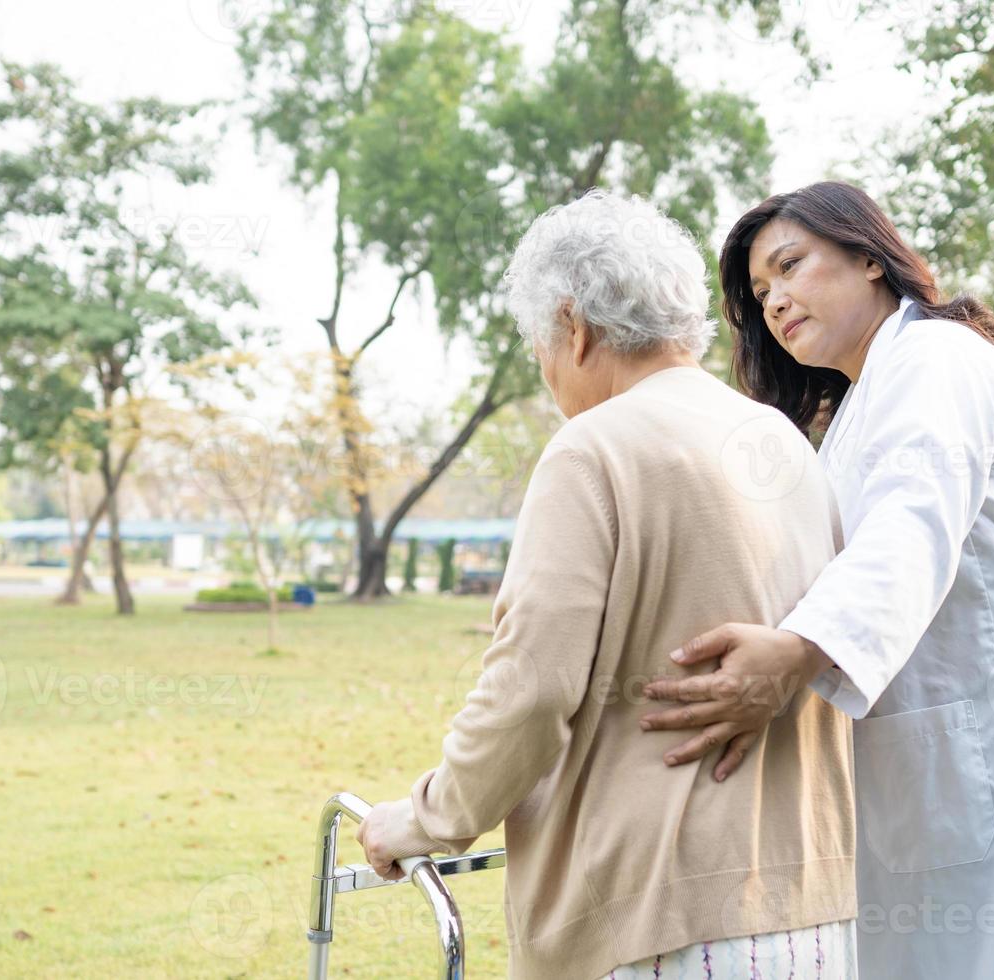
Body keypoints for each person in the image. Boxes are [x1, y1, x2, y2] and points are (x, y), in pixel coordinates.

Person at [639, 181, 994, 978]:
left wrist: (795, 651)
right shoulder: (853, 411)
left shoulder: (938, 359)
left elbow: (910, 525)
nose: (776, 300)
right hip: (923, 772)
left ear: (868, 258)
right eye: (759, 292)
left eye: (791, 266)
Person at [357, 190, 858, 979]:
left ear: (574, 328)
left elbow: (529, 689)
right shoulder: (781, 443)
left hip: (655, 922)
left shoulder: (592, 450)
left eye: (542, 351)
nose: (551, 377)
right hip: (811, 913)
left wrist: (424, 819)